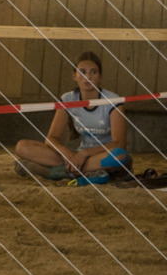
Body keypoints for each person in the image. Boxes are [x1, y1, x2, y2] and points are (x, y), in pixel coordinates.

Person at [14, 52, 131, 181]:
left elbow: (120, 143)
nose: (87, 77)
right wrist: (66, 153)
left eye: (93, 72)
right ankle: (81, 170)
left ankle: (57, 172)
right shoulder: (68, 99)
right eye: (82, 72)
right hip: (78, 156)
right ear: (74, 76)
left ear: (100, 77)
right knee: (22, 147)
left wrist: (85, 154)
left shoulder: (112, 100)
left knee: (120, 156)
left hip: (102, 155)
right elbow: (51, 139)